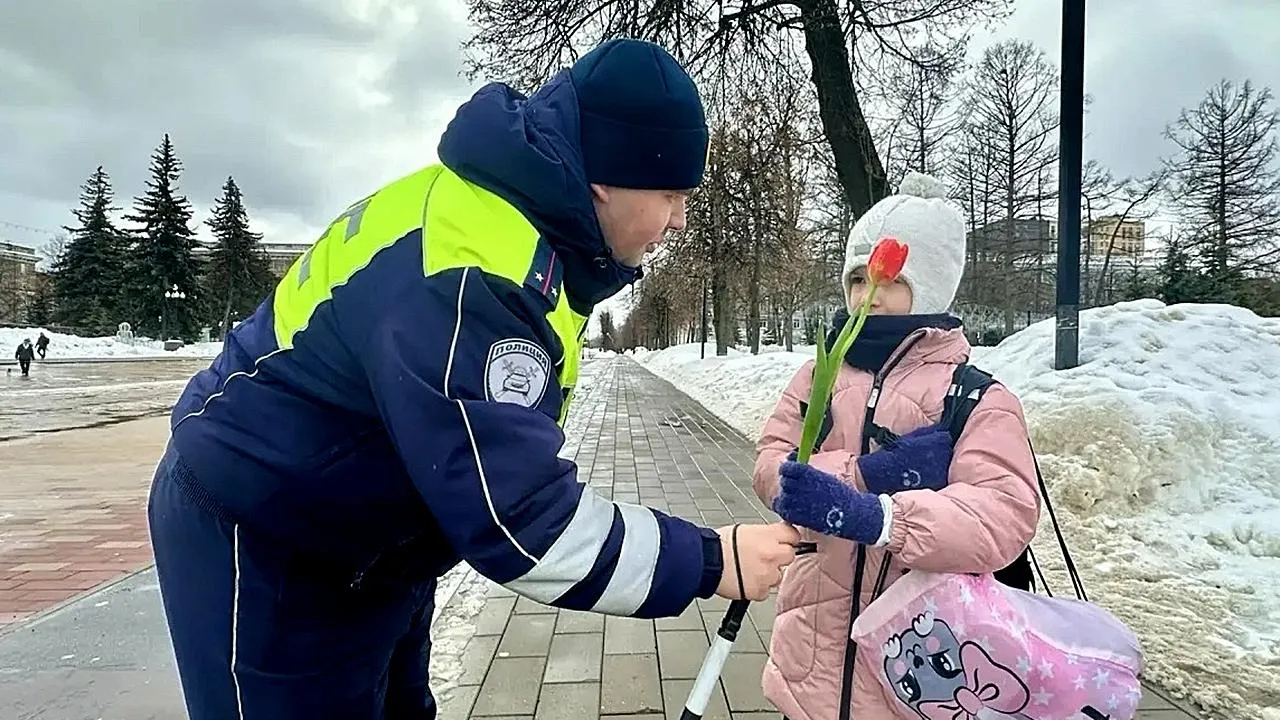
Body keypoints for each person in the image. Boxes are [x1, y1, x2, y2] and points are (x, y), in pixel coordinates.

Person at [148, 37, 800, 720]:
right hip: (267, 540)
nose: (679, 220)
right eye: (671, 194)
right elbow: (522, 524)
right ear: (606, 176)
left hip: (369, 547)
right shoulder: (474, 275)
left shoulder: (528, 236)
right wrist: (708, 560)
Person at [751, 172, 1042, 720]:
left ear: (929, 285)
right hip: (812, 659)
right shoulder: (819, 377)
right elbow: (772, 466)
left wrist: (886, 519)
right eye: (857, 279)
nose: (867, 295)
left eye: (887, 280)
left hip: (919, 674)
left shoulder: (976, 398)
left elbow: (1003, 515)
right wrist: (863, 478)